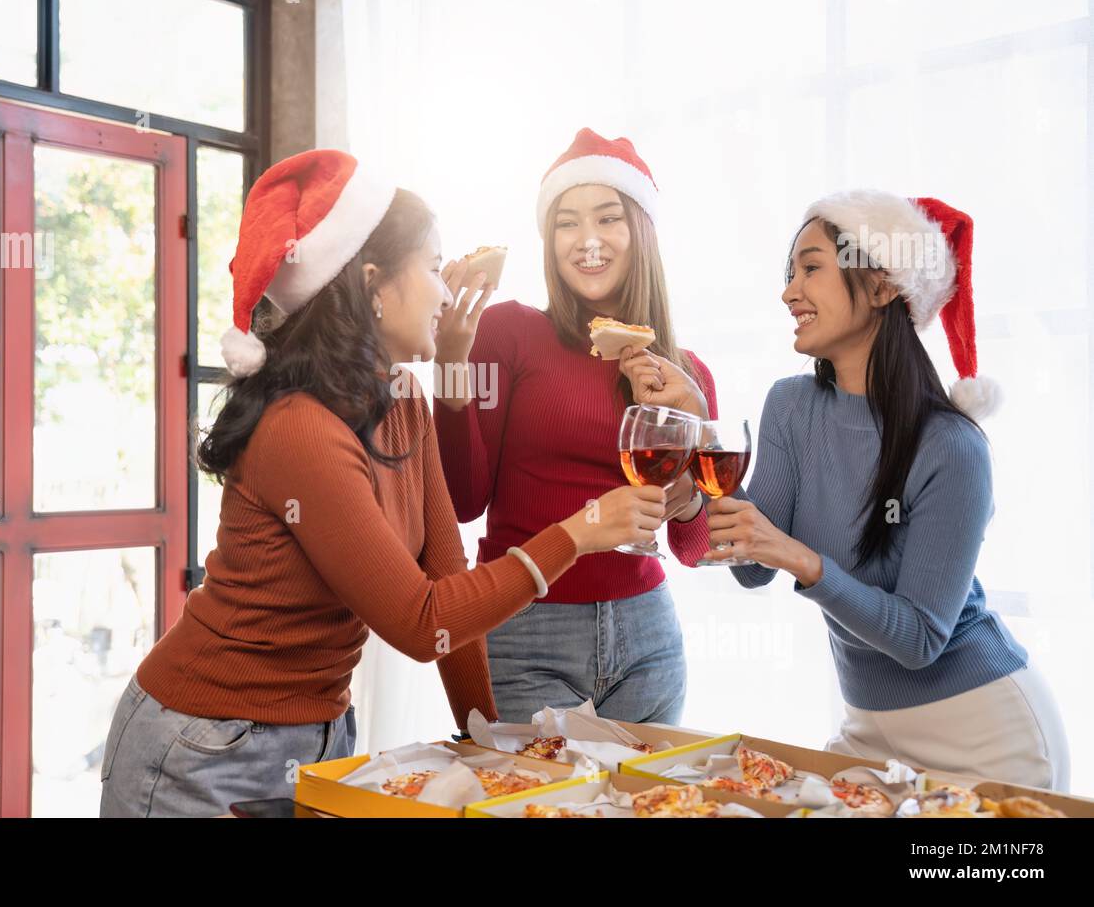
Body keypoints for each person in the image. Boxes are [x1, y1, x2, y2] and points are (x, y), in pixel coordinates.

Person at [98, 149, 673, 816]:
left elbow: (445, 568)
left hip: (321, 736)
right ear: (374, 284)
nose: (447, 292)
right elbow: (419, 621)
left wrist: (487, 745)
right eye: (433, 268)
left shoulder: (404, 401)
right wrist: (578, 533)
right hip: (205, 746)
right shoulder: (300, 429)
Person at [681, 190, 1069, 790]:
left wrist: (802, 561)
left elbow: (918, 640)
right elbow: (752, 569)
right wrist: (691, 457)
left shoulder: (950, 445)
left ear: (885, 287)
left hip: (982, 736)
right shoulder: (792, 406)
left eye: (811, 268)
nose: (789, 292)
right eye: (789, 274)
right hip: (869, 727)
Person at [432, 128, 718, 725]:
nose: (587, 241)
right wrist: (450, 367)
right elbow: (462, 500)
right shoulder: (507, 333)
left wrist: (686, 430)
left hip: (648, 636)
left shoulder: (685, 375)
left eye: (608, 218)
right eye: (567, 223)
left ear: (640, 230)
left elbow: (694, 544)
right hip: (526, 627)